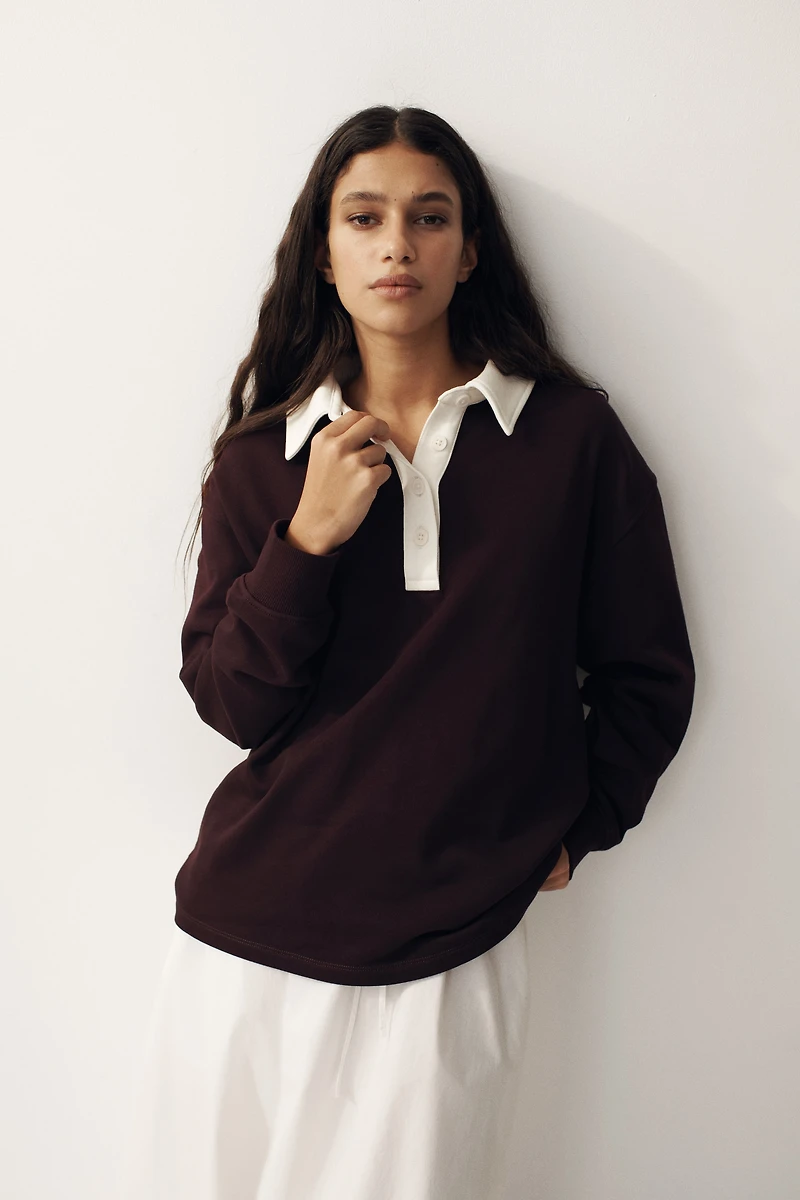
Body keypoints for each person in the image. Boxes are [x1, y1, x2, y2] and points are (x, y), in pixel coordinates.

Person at [120, 105, 695, 1199]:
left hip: (454, 938)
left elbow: (647, 672)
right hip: (243, 938)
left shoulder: (569, 439)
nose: (397, 245)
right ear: (323, 253)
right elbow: (234, 705)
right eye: (365, 218)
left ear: (468, 251)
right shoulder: (263, 460)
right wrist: (305, 540)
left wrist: (580, 828)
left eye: (430, 218)